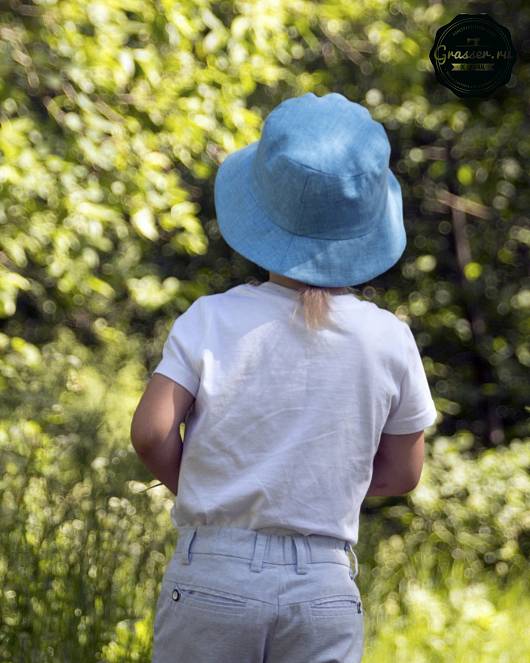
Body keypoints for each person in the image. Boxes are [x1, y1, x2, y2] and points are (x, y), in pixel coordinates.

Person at [134, 92, 437, 662]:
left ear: (261, 208)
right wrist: (317, 493)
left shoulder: (211, 319)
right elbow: (402, 472)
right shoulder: (389, 339)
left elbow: (150, 433)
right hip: (321, 588)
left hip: (212, 575)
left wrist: (205, 490)